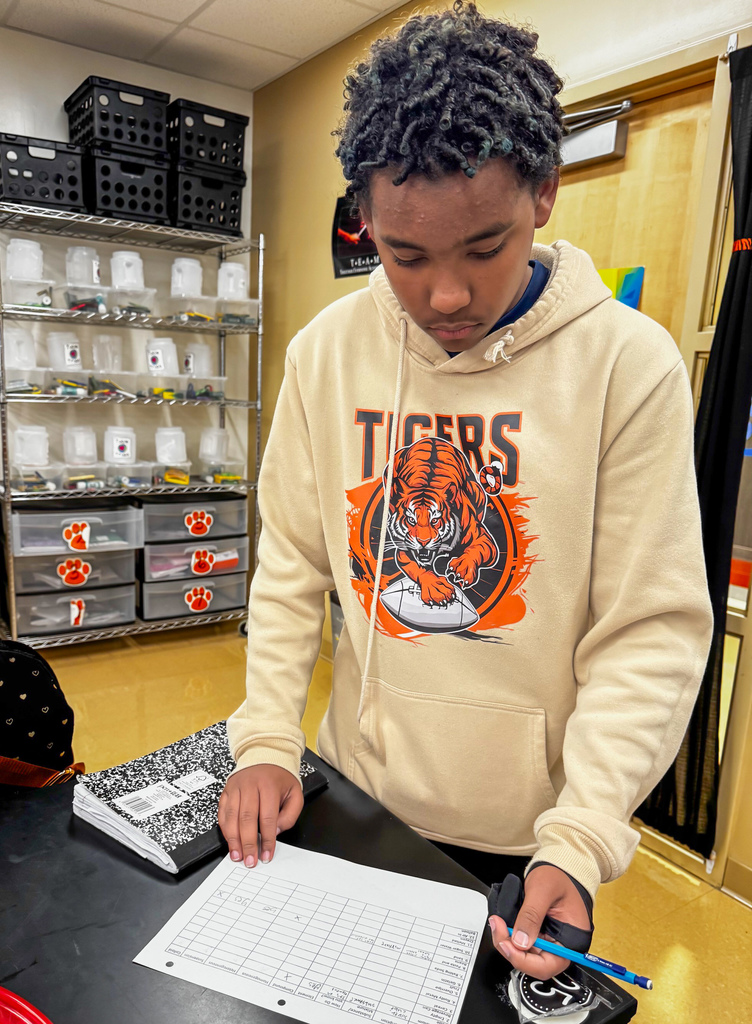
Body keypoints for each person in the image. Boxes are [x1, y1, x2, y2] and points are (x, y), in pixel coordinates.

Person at [219, 1, 713, 981]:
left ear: (545, 194)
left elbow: (649, 627)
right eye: (405, 256)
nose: (444, 295)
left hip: (528, 839)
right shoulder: (326, 356)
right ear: (366, 220)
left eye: (482, 247)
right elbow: (292, 566)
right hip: (345, 793)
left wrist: (581, 835)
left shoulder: (629, 365)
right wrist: (268, 737)